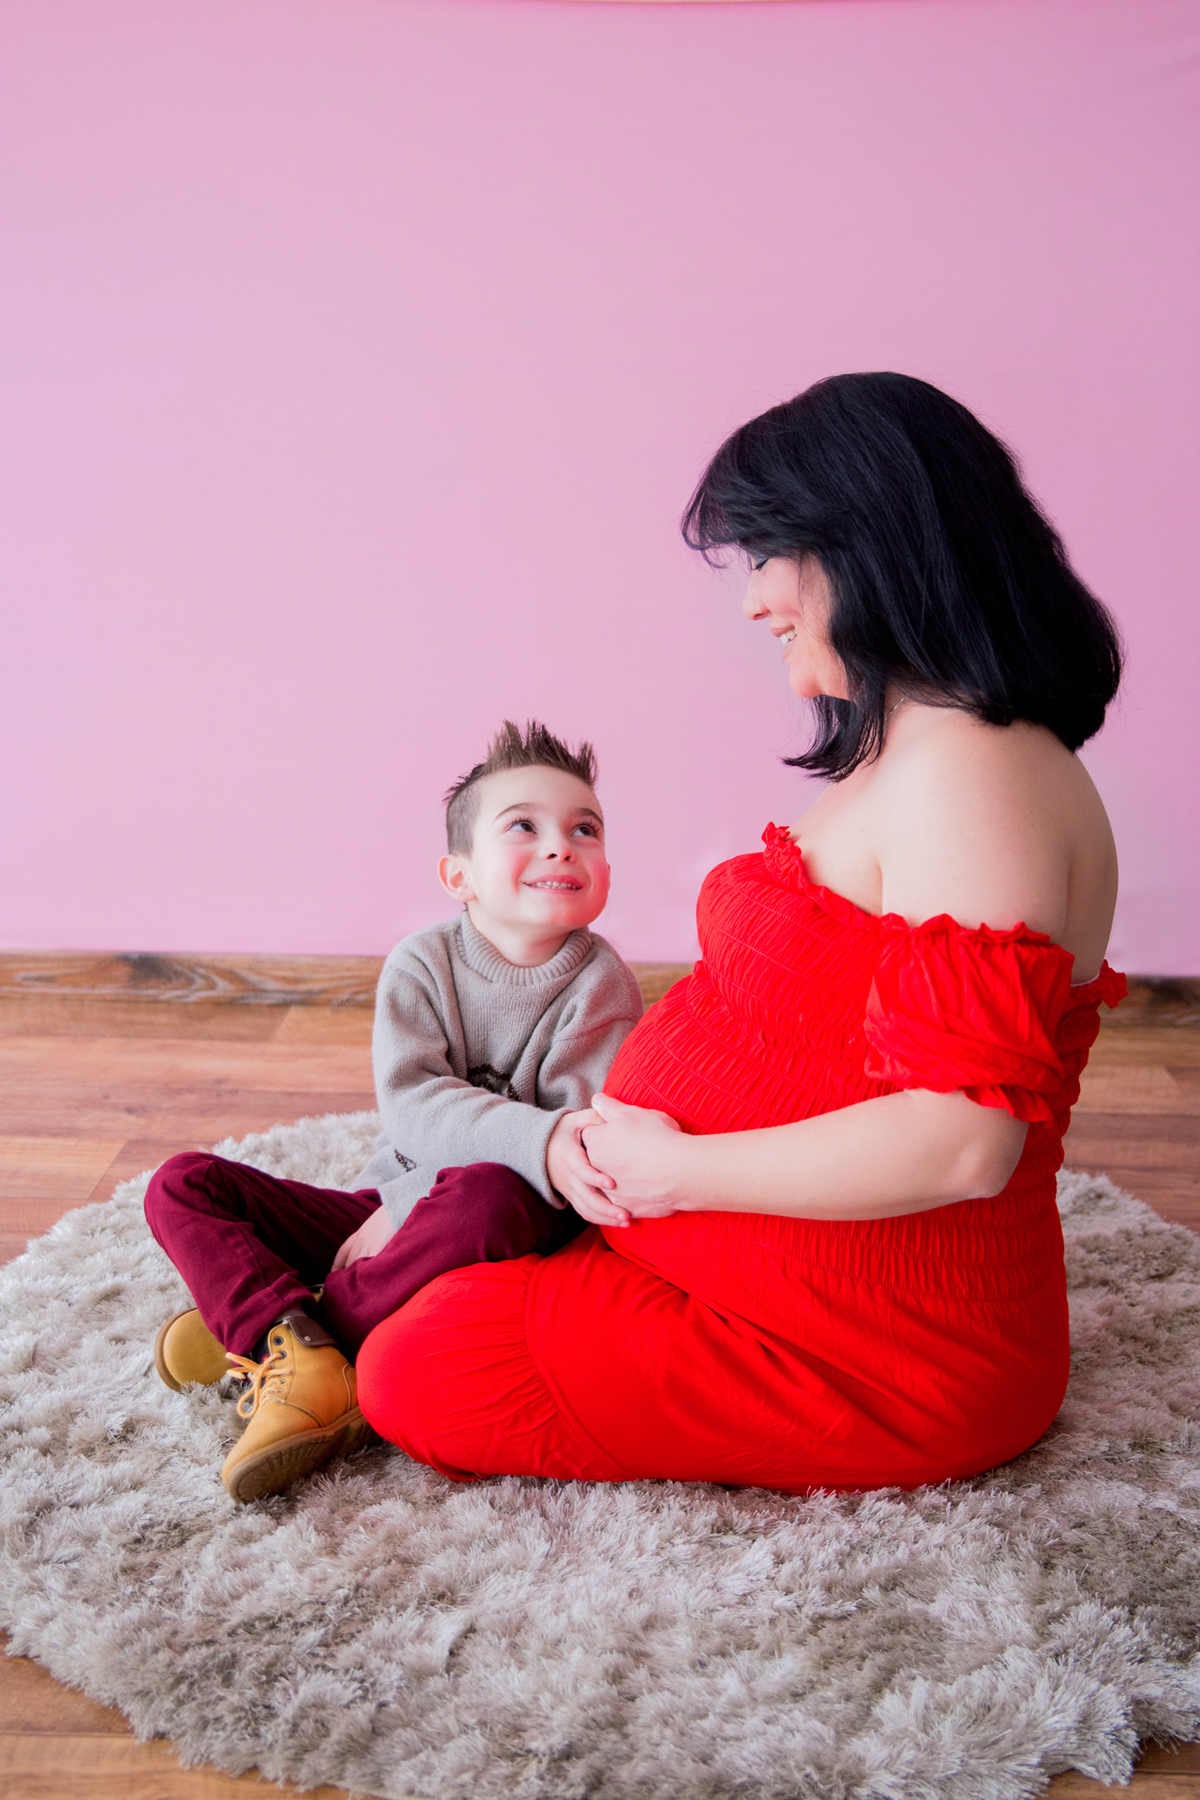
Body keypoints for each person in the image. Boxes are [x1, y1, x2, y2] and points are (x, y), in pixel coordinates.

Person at [355, 372, 1127, 1493]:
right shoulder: (919, 751)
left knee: (416, 1366)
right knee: (433, 1241)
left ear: (866, 540)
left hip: (875, 1351)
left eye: (768, 555)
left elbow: (963, 1143)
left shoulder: (979, 774)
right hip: (742, 1267)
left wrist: (678, 1171)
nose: (758, 600)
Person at [144, 721, 643, 1502]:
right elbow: (412, 1106)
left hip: (496, 1217)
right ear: (460, 875)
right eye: (525, 826)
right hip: (391, 1201)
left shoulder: (600, 983)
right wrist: (393, 1212)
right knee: (181, 1184)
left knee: (490, 1192)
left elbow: (569, 1150)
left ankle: (294, 1334)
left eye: (585, 829)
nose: (561, 846)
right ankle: (292, 1344)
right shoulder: (421, 962)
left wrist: (410, 1214)